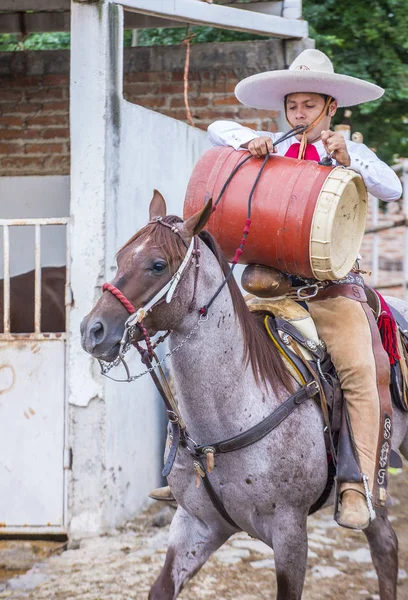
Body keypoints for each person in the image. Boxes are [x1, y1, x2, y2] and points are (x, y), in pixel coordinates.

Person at [205, 48, 402, 529]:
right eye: (293, 104)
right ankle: (192, 467)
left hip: (330, 290)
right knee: (204, 348)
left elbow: (392, 188)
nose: (299, 113)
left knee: (360, 369)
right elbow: (216, 129)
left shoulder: (350, 152)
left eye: (310, 105)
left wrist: (350, 155)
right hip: (268, 288)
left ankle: (355, 485)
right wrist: (252, 142)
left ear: (330, 108)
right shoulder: (271, 143)